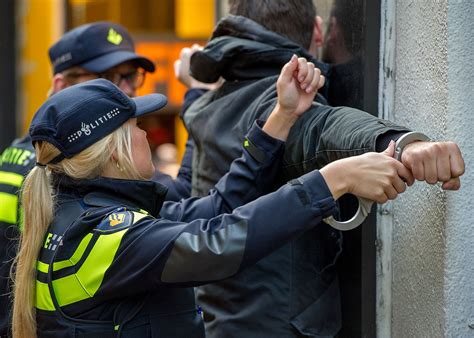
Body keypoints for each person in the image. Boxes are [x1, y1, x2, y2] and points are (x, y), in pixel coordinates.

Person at [12, 58, 413, 337]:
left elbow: (215, 209)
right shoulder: (104, 236)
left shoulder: (85, 216)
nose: (147, 135)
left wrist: (281, 118)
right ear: (113, 151)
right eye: (136, 126)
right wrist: (330, 180)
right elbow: (217, 244)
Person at [178, 1, 465, 337]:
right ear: (318, 30)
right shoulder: (276, 103)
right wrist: (401, 144)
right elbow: (324, 127)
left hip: (221, 321)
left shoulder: (210, 104)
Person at [0, 21, 194, 337]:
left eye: (132, 75)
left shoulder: (35, 159)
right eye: (107, 78)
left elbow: (180, 201)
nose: (128, 88)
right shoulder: (52, 173)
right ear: (61, 85)